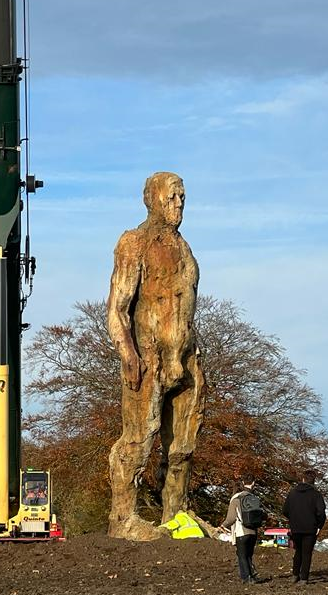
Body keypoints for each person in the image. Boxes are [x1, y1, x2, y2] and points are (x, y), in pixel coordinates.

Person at [107, 172, 206, 537]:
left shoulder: (185, 248)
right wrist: (129, 354)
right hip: (149, 356)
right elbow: (117, 308)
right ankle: (124, 519)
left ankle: (177, 516)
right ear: (153, 198)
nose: (179, 203)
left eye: (183, 197)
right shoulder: (133, 243)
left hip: (186, 356)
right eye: (172, 197)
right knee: (139, 437)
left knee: (184, 444)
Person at [282, 470, 326, 583]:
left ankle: (295, 574)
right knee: (307, 553)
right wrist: (319, 525)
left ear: (302, 479)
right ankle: (304, 577)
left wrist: (292, 519)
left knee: (298, 551)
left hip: (296, 527)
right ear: (314, 481)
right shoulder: (316, 495)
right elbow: (321, 512)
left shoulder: (292, 493)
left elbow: (285, 510)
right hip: (311, 528)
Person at [220, 477, 261, 584]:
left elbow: (231, 518)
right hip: (253, 531)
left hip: (241, 531)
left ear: (243, 483)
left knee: (242, 555)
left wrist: (223, 526)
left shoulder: (236, 499)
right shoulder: (255, 498)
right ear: (253, 483)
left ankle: (247, 577)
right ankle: (252, 574)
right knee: (249, 555)